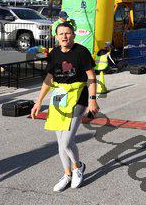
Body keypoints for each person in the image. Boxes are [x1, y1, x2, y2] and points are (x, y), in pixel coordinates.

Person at [30, 22, 99, 192]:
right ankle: (67, 173)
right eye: (61, 34)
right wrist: (38, 101)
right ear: (56, 36)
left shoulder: (81, 52)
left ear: (73, 35)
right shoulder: (54, 53)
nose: (64, 36)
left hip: (78, 97)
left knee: (67, 141)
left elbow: (91, 76)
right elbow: (48, 79)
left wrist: (92, 99)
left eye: (67, 33)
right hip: (59, 98)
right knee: (60, 142)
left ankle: (78, 167)